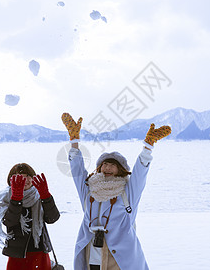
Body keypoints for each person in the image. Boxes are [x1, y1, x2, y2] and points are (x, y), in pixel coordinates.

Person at [61, 112, 171, 270]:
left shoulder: (127, 192)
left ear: (121, 170)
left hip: (119, 258)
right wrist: (74, 142)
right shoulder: (90, 189)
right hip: (91, 254)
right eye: (105, 164)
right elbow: (77, 172)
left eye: (113, 165)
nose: (107, 167)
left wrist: (148, 147)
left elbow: (140, 174)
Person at [0, 163, 60, 270]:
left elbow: (52, 218)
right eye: (20, 177)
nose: (25, 180)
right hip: (17, 255)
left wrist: (46, 196)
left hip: (40, 252)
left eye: (28, 176)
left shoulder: (39, 194)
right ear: (11, 180)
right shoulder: (5, 197)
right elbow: (9, 222)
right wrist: (16, 199)